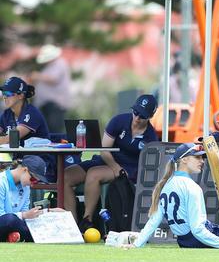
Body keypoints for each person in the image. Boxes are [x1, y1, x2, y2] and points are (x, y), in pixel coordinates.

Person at [64, 94, 159, 229]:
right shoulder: (118, 121)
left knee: (93, 174)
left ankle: (87, 220)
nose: (137, 118)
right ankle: (71, 225)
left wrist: (118, 169)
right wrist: (114, 167)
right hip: (107, 160)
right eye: (135, 112)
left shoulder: (151, 137)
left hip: (129, 168)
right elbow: (104, 150)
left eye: (142, 116)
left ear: (150, 116)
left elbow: (147, 164)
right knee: (66, 175)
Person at [0, 156, 64, 242]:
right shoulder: (1, 181)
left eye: (36, 182)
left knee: (29, 223)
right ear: (25, 170)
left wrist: (48, 212)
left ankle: (20, 236)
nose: (33, 184)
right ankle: (36, 236)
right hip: (5, 221)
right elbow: (3, 217)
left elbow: (25, 215)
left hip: (14, 225)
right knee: (10, 219)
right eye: (33, 179)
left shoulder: (26, 187)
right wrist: (24, 215)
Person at [30, 44, 71, 133]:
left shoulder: (60, 63)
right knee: (48, 129)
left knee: (54, 130)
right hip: (47, 104)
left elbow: (53, 79)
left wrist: (37, 76)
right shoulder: (50, 66)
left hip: (55, 105)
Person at [0, 77, 50, 146]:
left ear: (21, 95)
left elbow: (11, 139)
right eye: (3, 93)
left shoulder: (32, 113)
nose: (5, 97)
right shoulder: (6, 114)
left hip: (37, 155)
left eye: (8, 93)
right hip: (19, 155)